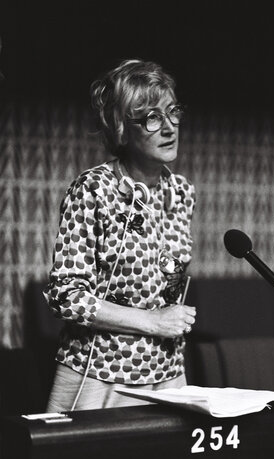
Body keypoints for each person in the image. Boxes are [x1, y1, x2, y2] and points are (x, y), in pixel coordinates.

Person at [44, 58, 196, 411]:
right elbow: (65, 296)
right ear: (121, 129)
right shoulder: (92, 190)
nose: (170, 127)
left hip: (168, 372)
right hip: (100, 373)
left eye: (173, 112)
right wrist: (152, 322)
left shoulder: (182, 192)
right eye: (152, 117)